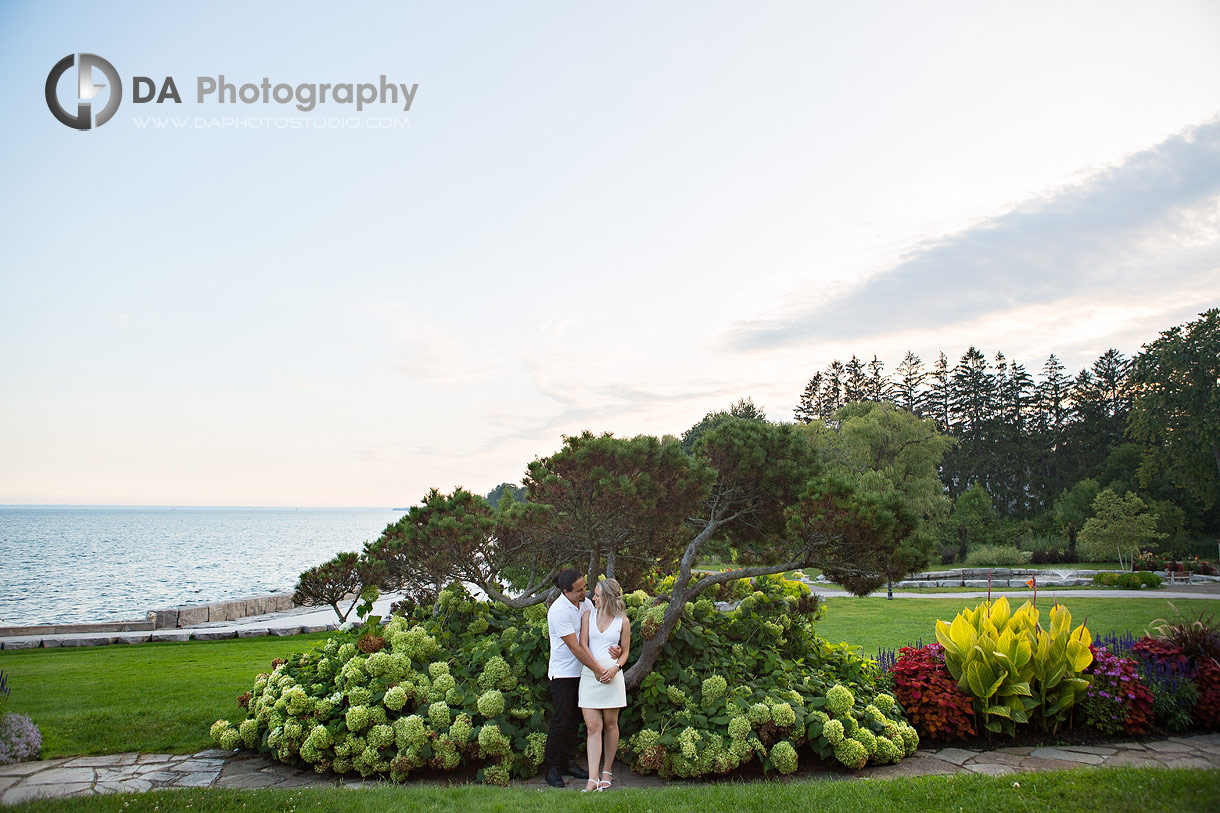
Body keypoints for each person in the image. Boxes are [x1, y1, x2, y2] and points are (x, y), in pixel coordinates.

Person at [544, 568, 612, 788]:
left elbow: (594, 636)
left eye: (585, 587)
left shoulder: (586, 604)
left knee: (575, 720)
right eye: (579, 590)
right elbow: (575, 647)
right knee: (562, 719)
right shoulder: (558, 611)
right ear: (566, 592)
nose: (585, 592)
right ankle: (552, 768)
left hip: (582, 672)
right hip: (563, 673)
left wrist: (615, 651)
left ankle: (568, 762)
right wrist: (598, 669)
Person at [577, 578, 630, 792]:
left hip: (612, 677)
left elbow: (625, 652)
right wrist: (596, 669)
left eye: (597, 595)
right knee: (592, 727)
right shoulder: (588, 615)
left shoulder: (622, 621)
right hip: (590, 676)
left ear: (608, 597)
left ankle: (607, 770)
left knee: (610, 723)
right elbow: (582, 644)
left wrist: (615, 668)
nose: (593, 598)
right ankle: (592, 778)